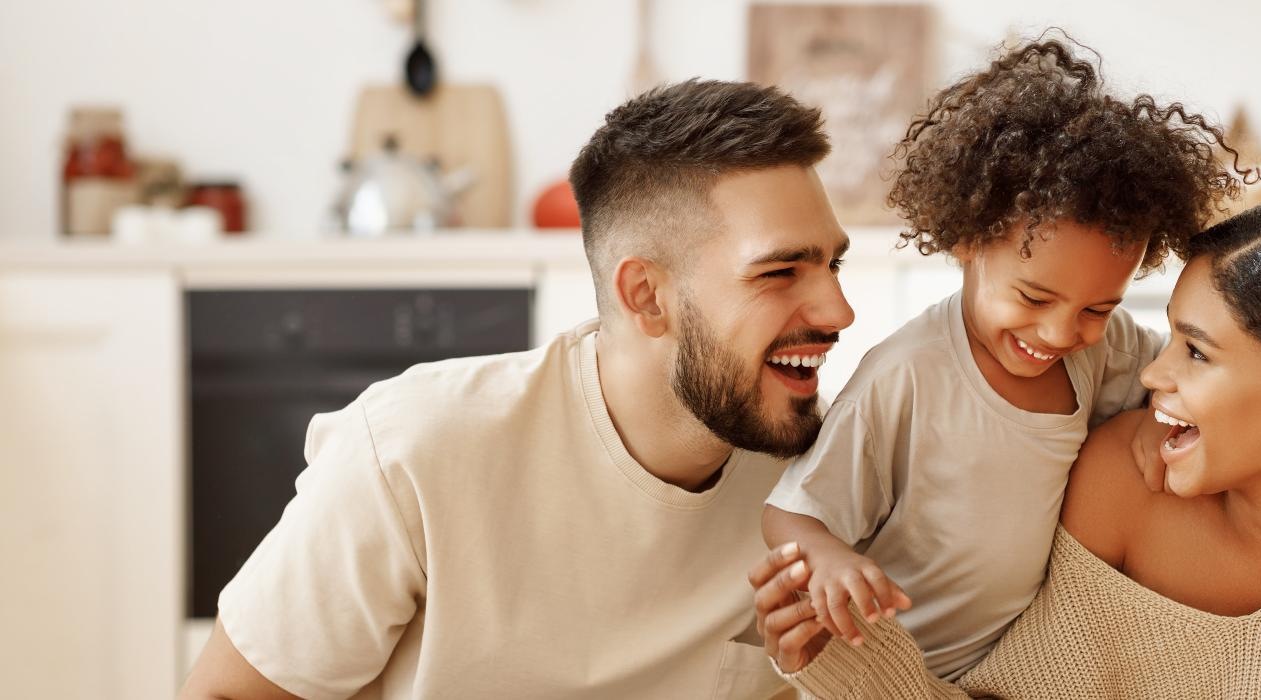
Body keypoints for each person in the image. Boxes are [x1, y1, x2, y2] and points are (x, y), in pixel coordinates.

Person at [179, 79, 852, 699]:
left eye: (833, 264)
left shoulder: (825, 476)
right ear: (646, 296)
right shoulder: (412, 452)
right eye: (780, 271)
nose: (837, 312)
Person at [754, 194, 1261, 699]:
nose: (1153, 377)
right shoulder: (1122, 485)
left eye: (1197, 354)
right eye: (1167, 339)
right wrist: (854, 663)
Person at [758, 37, 1246, 681]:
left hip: (1019, 665)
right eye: (1033, 295)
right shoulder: (907, 375)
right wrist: (827, 559)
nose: (1061, 331)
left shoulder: (1103, 350)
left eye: (1097, 307)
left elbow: (1175, 383)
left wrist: (1163, 427)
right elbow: (790, 511)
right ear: (966, 240)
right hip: (895, 668)